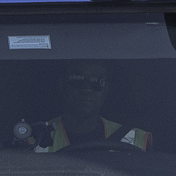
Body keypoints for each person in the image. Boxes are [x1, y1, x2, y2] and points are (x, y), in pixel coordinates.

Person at [22, 60, 151, 152]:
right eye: (77, 79)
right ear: (61, 85)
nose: (87, 89)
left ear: (106, 91)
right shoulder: (35, 140)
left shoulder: (137, 140)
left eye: (97, 82)